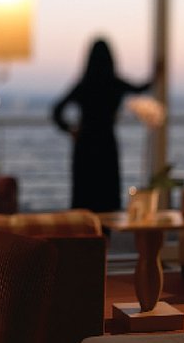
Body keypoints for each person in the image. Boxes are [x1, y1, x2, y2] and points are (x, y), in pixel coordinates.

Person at [52, 37, 158, 212]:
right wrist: (157, 72)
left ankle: (86, 233)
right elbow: (141, 88)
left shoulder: (84, 84)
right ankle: (105, 236)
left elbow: (56, 110)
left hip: (85, 142)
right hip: (106, 141)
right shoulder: (115, 83)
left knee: (84, 191)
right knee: (106, 191)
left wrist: (70, 129)